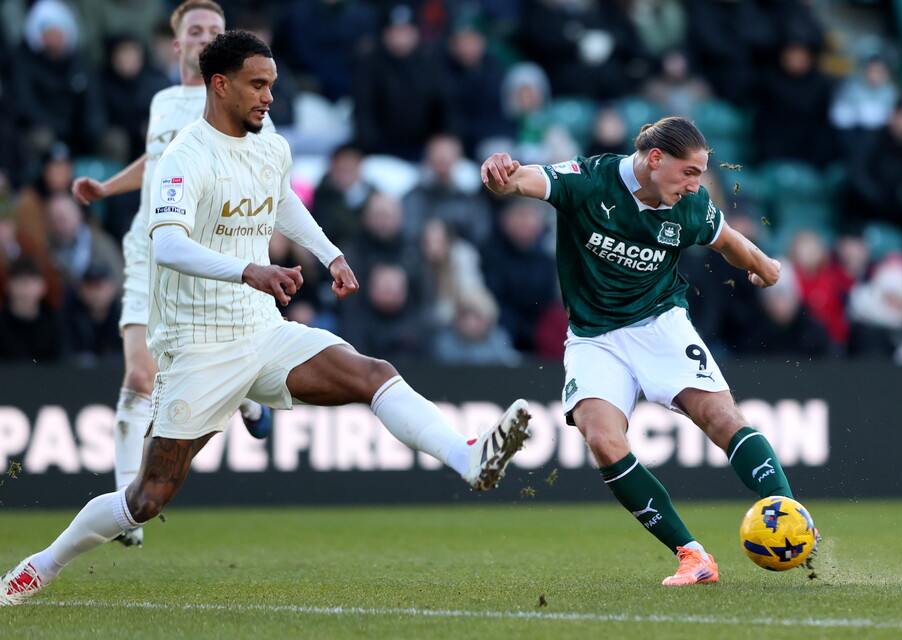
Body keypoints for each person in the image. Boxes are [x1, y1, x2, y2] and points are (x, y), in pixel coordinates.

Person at [0, 30, 531, 607]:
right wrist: (248, 270)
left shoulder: (270, 145)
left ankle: (469, 458)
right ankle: (39, 567)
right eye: (258, 85)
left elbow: (281, 201)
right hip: (199, 346)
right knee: (146, 498)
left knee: (371, 372)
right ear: (220, 85)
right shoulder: (185, 156)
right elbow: (168, 246)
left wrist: (330, 253)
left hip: (261, 330)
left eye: (272, 85)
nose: (269, 97)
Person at [479, 116, 814, 586]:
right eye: (690, 172)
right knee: (601, 438)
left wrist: (765, 267)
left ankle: (790, 513)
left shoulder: (690, 206)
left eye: (701, 173)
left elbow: (729, 241)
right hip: (594, 336)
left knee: (721, 418)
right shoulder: (589, 180)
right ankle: (693, 556)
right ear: (655, 159)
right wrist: (500, 174)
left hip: (660, 325)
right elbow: (523, 179)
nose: (697, 185)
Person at [69, 1, 271, 549]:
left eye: (214, 30)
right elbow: (155, 161)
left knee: (201, 359)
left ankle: (246, 393)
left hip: (209, 252)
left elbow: (262, 174)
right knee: (139, 376)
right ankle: (124, 508)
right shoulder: (162, 102)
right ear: (177, 44)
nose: (205, 37)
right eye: (194, 31)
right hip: (149, 249)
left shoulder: (240, 102)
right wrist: (108, 187)